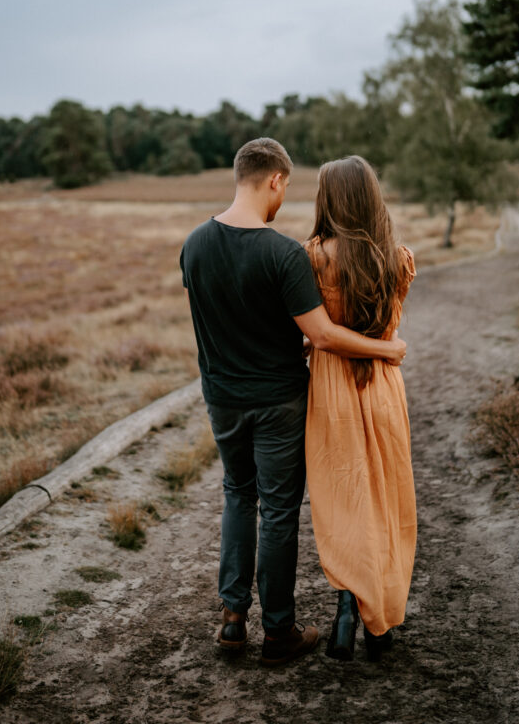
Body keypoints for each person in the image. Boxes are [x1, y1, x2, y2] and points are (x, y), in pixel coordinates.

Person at [179, 138, 406, 667]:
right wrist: (389, 348)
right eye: (287, 187)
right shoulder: (282, 254)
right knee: (278, 511)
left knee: (238, 493)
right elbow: (322, 335)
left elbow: (227, 320)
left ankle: (233, 618)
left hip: (223, 398)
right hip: (279, 400)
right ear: (275, 180)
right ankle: (278, 631)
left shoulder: (193, 244)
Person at [304, 155, 416, 662]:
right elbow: (388, 332)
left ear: (329, 199)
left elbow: (316, 338)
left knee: (343, 500)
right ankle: (378, 624)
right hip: (385, 389)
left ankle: (348, 607)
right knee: (385, 503)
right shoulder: (398, 258)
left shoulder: (314, 257)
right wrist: (387, 348)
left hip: (333, 392)